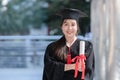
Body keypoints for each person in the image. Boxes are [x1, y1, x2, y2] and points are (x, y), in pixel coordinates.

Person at [42, 8, 95, 80]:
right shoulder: (52, 48)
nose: (69, 28)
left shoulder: (87, 47)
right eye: (66, 24)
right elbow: (49, 68)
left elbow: (88, 73)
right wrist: (73, 66)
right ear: (61, 27)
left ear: (77, 27)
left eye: (73, 25)